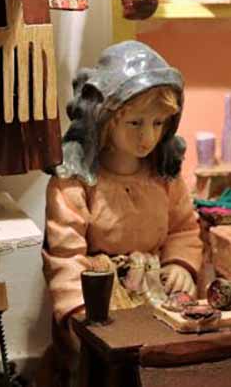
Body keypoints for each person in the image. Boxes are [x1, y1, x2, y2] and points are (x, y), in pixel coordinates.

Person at [42, 41, 202, 369]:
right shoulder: (74, 182)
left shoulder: (164, 176)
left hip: (156, 293)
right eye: (135, 123)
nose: (148, 137)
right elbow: (65, 256)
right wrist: (79, 314)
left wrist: (180, 266)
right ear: (106, 119)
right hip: (99, 299)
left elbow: (183, 228)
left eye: (158, 123)